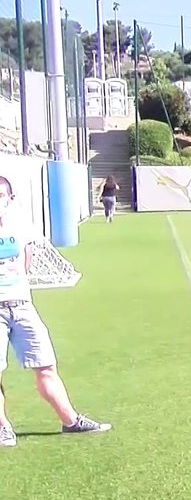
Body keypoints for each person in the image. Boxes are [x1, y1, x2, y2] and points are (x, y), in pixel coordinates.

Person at [0, 175, 109, 448]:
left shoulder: (21, 225)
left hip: (23, 306)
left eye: (2, 196)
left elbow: (26, 261)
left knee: (46, 366)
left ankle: (71, 421)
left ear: (10, 199)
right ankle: (3, 428)